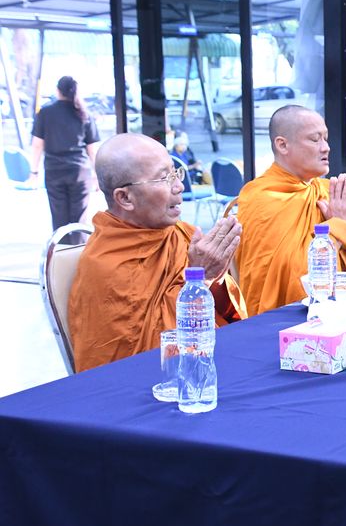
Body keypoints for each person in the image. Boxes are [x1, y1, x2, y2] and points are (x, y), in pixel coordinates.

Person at [67, 133, 246, 372]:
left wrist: (212, 276)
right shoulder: (107, 265)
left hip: (209, 365)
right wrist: (198, 278)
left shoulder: (182, 234)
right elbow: (137, 364)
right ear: (125, 197)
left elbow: (223, 313)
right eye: (164, 178)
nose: (179, 186)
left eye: (175, 173)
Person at [235, 105, 346, 315]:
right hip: (287, 320)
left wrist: (345, 226)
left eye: (325, 138)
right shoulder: (261, 197)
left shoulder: (326, 191)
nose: (326, 148)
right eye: (315, 140)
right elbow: (295, 279)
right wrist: (339, 227)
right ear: (283, 145)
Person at [29, 76, 100, 242]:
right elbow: (92, 150)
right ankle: (77, 259)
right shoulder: (84, 113)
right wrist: (97, 175)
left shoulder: (45, 112)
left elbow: (37, 145)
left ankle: (60, 256)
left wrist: (34, 171)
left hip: (54, 171)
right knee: (79, 219)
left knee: (59, 217)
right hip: (80, 172)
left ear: (58, 90)